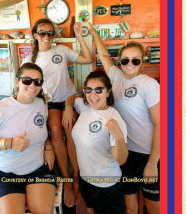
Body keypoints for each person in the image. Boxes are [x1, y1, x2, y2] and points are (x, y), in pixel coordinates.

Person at [89, 24, 160, 214]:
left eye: (135, 60)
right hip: (126, 153)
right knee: (130, 207)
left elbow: (162, 125)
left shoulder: (149, 84)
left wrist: (152, 164)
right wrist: (94, 32)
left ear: (142, 62)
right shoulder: (117, 77)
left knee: (152, 206)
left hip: (148, 155)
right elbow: (104, 56)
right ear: (119, 60)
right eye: (125, 59)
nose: (130, 63)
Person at [22, 18, 92, 207]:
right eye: (42, 33)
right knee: (55, 130)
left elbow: (87, 58)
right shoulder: (30, 60)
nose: (47, 37)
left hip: (68, 99)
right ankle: (68, 181)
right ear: (35, 35)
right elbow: (25, 87)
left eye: (50, 33)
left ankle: (77, 178)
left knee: (70, 130)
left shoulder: (61, 50)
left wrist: (79, 36)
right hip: (49, 103)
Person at [62, 70, 128, 214]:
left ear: (108, 92)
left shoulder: (113, 118)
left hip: (106, 185)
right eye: (88, 90)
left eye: (99, 90)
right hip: (86, 180)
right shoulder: (86, 108)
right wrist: (68, 108)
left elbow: (121, 159)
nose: (93, 95)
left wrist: (119, 137)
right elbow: (71, 97)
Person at [0, 63, 56, 214]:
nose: (32, 85)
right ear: (17, 82)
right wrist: (9, 143)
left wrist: (48, 146)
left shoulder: (42, 104)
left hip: (38, 170)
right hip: (7, 173)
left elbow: (41, 130)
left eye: (37, 81)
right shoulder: (3, 108)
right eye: (27, 80)